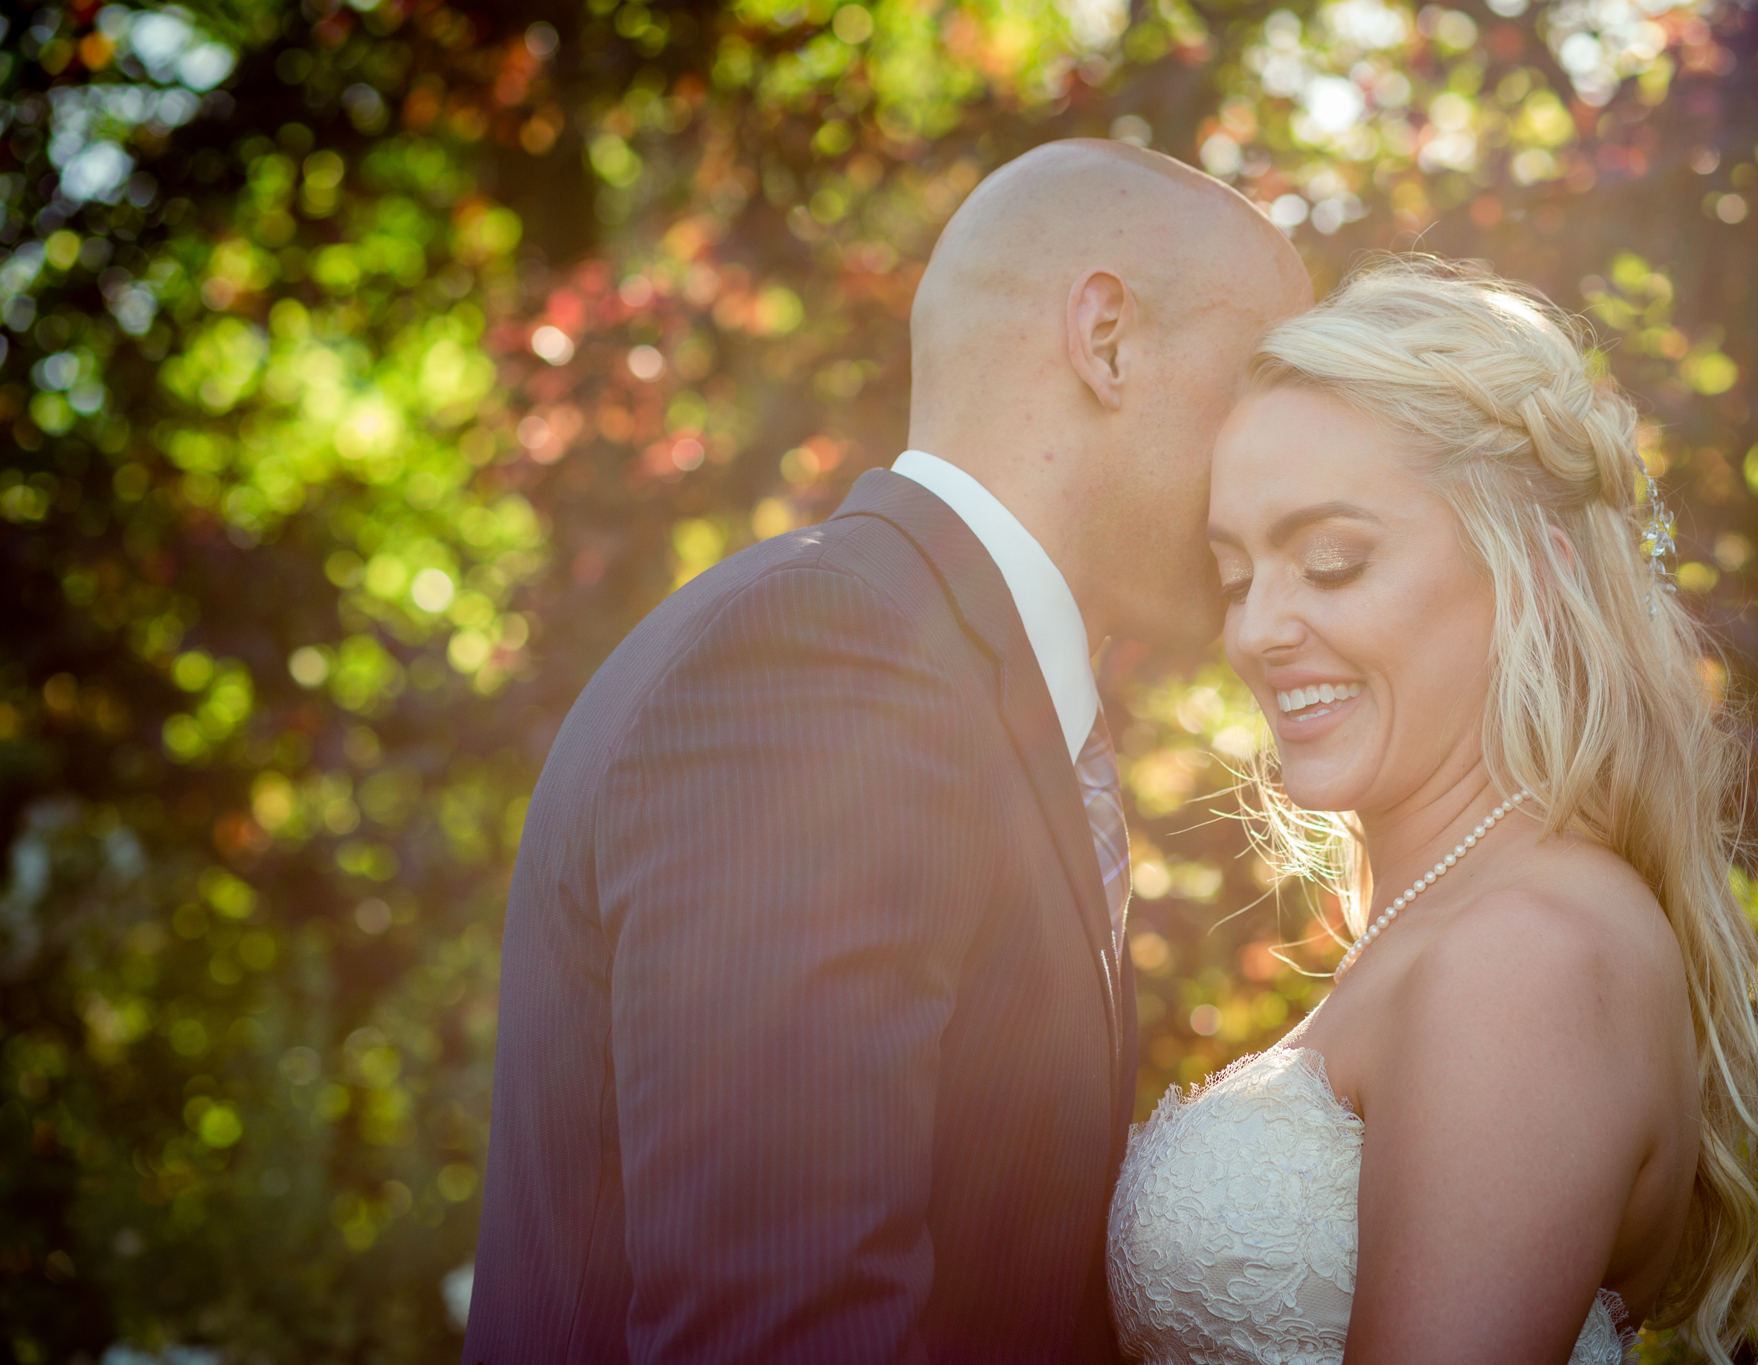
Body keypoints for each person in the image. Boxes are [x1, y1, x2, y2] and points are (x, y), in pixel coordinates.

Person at [462, 140, 1311, 1363]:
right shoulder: (823, 666)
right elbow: (779, 1334)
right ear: (1106, 338)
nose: (1274, 467)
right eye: (1256, 386)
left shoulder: (942, 678)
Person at [1107, 258, 1758, 1365]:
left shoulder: (1524, 956)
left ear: (1527, 575)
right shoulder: (1456, 918)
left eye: (1331, 563)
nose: (1258, 630)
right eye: (1236, 575)